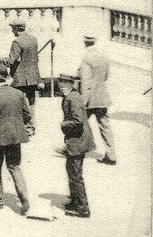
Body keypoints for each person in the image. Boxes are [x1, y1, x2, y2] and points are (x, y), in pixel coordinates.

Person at [0, 60, 33, 215]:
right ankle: (25, 202)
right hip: (16, 137)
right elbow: (27, 115)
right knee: (14, 167)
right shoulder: (18, 93)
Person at [57, 73, 94, 218]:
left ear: (71, 84)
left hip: (78, 141)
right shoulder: (70, 96)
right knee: (71, 170)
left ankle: (83, 209)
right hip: (75, 141)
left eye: (65, 83)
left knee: (76, 175)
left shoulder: (74, 98)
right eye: (60, 83)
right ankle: (75, 201)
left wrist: (63, 125)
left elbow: (78, 121)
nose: (62, 86)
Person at [78, 31, 116, 165]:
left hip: (90, 98)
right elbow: (106, 77)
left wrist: (84, 101)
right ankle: (111, 155)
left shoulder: (86, 58)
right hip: (102, 96)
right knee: (105, 126)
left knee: (79, 123)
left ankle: (75, 150)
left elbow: (86, 81)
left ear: (85, 42)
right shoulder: (103, 57)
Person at [7, 18, 41, 107]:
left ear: (17, 29)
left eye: (12, 28)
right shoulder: (33, 39)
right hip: (33, 76)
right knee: (31, 101)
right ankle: (32, 118)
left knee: (16, 101)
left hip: (20, 77)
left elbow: (11, 61)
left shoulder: (17, 42)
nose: (12, 31)